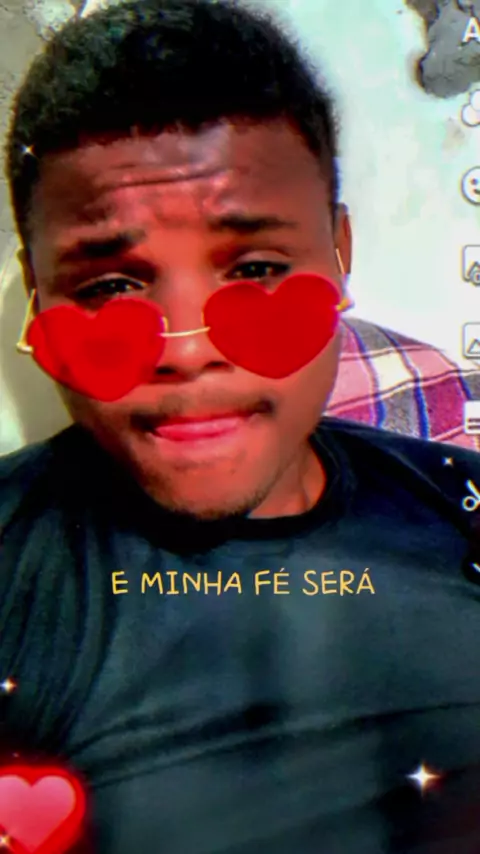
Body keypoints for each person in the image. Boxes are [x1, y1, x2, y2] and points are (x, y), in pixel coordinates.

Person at [2, 1, 480, 851]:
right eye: (110, 288)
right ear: (38, 298)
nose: (188, 354)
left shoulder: (462, 506)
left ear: (339, 254)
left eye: (256, 270)